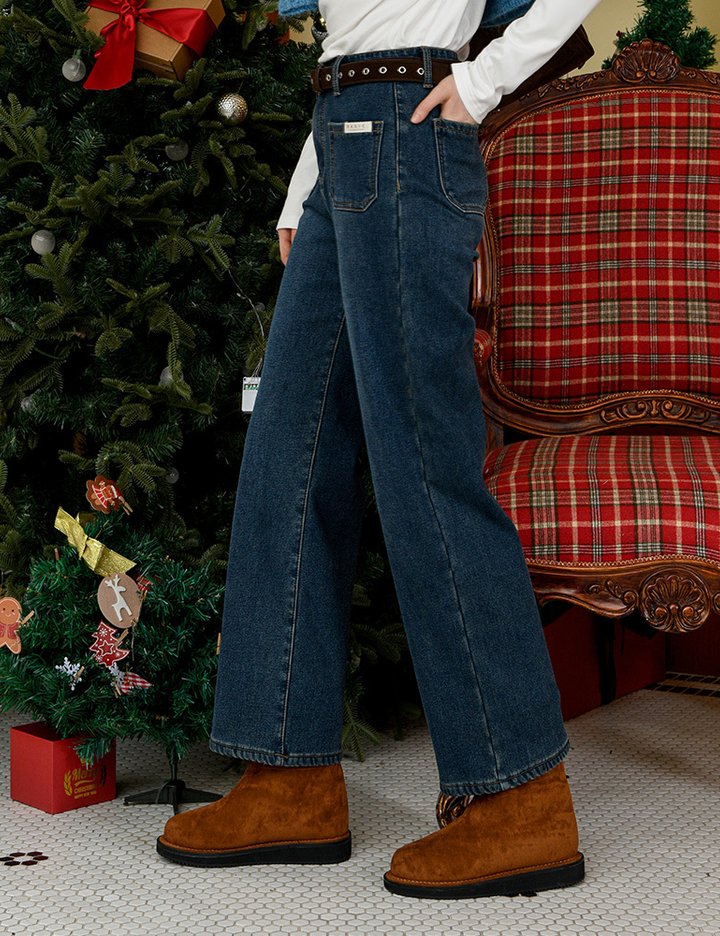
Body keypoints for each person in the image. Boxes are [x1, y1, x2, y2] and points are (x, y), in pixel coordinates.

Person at [156, 0, 603, 899]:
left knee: (425, 466)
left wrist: (484, 81)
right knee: (288, 452)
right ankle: (288, 775)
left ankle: (521, 793)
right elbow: (351, 35)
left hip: (408, 133)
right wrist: (306, 182)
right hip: (343, 141)